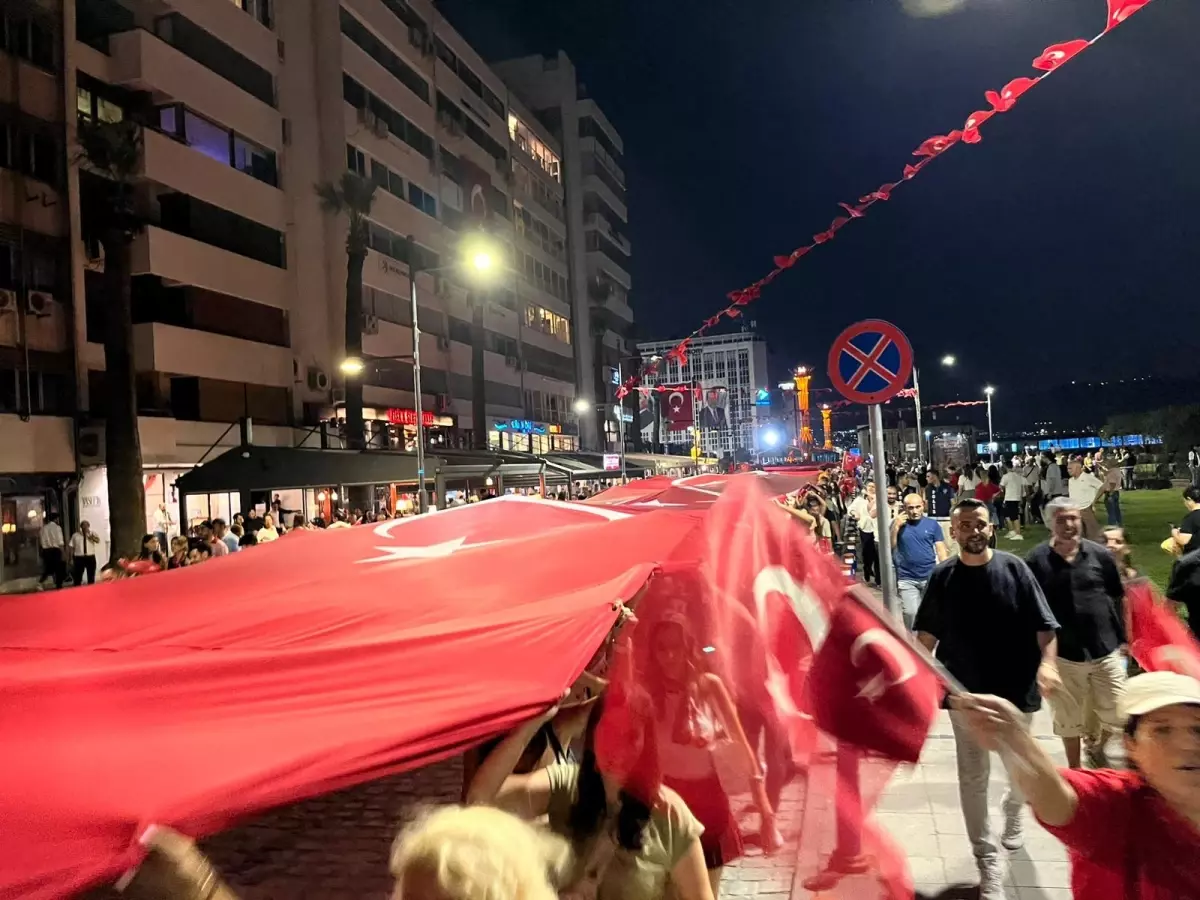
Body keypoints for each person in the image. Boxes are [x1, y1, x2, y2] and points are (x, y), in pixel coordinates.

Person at [913, 498, 1060, 899]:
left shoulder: (1015, 569)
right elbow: (925, 640)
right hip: (967, 697)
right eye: (963, 525)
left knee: (1021, 773)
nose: (972, 530)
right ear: (953, 532)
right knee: (972, 779)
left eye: (978, 523)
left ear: (990, 527)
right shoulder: (942, 578)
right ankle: (986, 858)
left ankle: (1015, 809)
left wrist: (1049, 665)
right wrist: (919, 682)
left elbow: (1045, 627)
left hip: (1017, 693)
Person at [950, 671, 1200, 899]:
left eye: (1197, 729)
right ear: (1130, 745)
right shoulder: (1117, 806)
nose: (1187, 745)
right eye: (1162, 730)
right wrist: (1015, 739)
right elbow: (1059, 799)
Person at [467, 691, 715, 900]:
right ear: (593, 740)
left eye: (630, 736)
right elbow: (480, 797)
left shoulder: (669, 814)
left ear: (645, 745)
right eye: (610, 732)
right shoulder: (567, 787)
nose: (618, 747)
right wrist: (532, 725)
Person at [1025, 498, 1128, 769]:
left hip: (1104, 648)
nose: (1069, 524)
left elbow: (1116, 597)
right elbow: (1030, 609)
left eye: (1073, 518)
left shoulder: (1100, 555)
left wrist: (1123, 638)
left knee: (1119, 711)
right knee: (1067, 718)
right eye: (1061, 519)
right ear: (1050, 524)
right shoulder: (1036, 561)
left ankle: (1098, 747)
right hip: (1064, 654)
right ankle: (1075, 771)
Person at [891, 493, 947, 630]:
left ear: (923, 506)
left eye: (918, 507)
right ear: (904, 508)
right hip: (906, 577)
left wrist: (945, 572)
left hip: (929, 576)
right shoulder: (898, 524)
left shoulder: (933, 525)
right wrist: (895, 527)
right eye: (910, 508)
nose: (914, 511)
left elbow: (941, 550)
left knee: (930, 614)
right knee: (910, 612)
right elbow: (890, 546)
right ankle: (911, 643)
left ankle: (926, 645)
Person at [847, 483, 880, 587]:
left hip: (877, 530)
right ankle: (867, 572)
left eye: (874, 486)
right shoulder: (860, 500)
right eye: (869, 486)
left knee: (878, 556)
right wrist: (854, 514)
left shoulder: (880, 499)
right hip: (865, 529)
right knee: (867, 553)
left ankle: (879, 580)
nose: (871, 488)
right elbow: (850, 509)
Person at [1067, 456, 1104, 540]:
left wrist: (1094, 502)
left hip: (1086, 508)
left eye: (1070, 468)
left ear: (1078, 468)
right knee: (1079, 535)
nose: (1068, 471)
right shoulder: (1070, 481)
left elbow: (1102, 487)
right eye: (1068, 469)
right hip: (1075, 510)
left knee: (1093, 534)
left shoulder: (1088, 477)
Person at [37, 511, 66, 590]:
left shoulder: (43, 528)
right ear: (56, 519)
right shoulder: (57, 528)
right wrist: (63, 552)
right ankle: (59, 585)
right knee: (58, 568)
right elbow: (60, 541)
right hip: (55, 550)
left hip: (46, 551)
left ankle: (40, 582)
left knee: (48, 568)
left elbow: (41, 541)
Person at [1169, 486, 1200, 554]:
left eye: (1184, 501)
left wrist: (1174, 532)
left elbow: (1183, 540)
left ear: (1189, 499)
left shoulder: (1191, 518)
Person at [69, 519, 100, 586]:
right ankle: (77, 590)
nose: (85, 527)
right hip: (79, 557)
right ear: (81, 526)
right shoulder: (75, 535)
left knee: (91, 575)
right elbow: (71, 547)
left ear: (89, 526)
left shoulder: (92, 533)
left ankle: (91, 590)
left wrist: (89, 535)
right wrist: (71, 558)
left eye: (86, 525)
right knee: (78, 576)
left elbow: (97, 541)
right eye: (83, 525)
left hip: (90, 557)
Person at [999, 465, 1026, 540]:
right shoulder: (1018, 476)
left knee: (1014, 516)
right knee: (1009, 515)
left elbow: (1001, 486)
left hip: (1010, 498)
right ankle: (1012, 531)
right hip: (1016, 497)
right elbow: (1021, 487)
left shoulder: (1005, 476)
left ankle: (1018, 533)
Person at [1099, 456, 1124, 527]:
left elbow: (1112, 483)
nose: (1107, 463)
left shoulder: (1112, 472)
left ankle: (1112, 525)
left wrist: (1110, 494)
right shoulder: (1116, 470)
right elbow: (1106, 473)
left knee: (1111, 511)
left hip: (1111, 492)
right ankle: (1119, 523)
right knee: (1116, 510)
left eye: (1108, 462)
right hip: (1116, 492)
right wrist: (1100, 468)